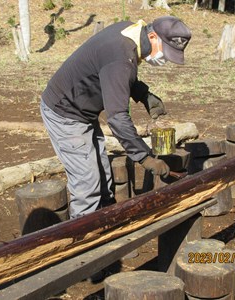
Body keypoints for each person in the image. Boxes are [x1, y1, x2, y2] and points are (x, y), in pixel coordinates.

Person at [40, 16, 192, 219]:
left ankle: (102, 224)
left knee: (102, 172)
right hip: (64, 112)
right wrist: (144, 157)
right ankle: (82, 241)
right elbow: (118, 117)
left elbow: (114, 73)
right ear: (153, 36)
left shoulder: (131, 32)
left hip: (82, 110)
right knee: (87, 183)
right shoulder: (121, 55)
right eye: (166, 51)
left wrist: (142, 94)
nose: (164, 59)